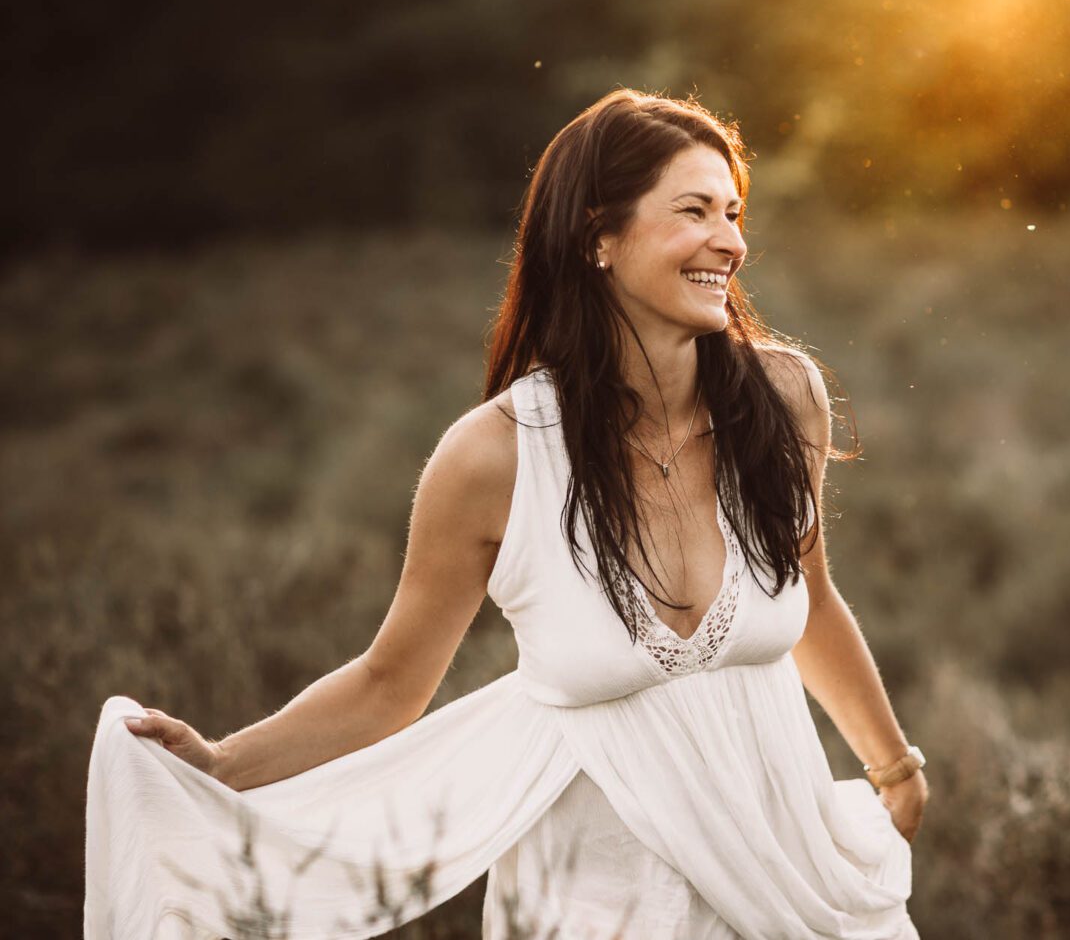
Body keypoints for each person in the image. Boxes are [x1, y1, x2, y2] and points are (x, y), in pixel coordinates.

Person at [84, 88, 928, 939]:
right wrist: (224, 764)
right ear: (600, 235)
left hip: (788, 877)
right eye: (695, 211)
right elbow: (388, 684)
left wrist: (893, 764)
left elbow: (810, 594)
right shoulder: (495, 458)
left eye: (735, 213)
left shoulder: (785, 399)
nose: (731, 241)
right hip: (594, 905)